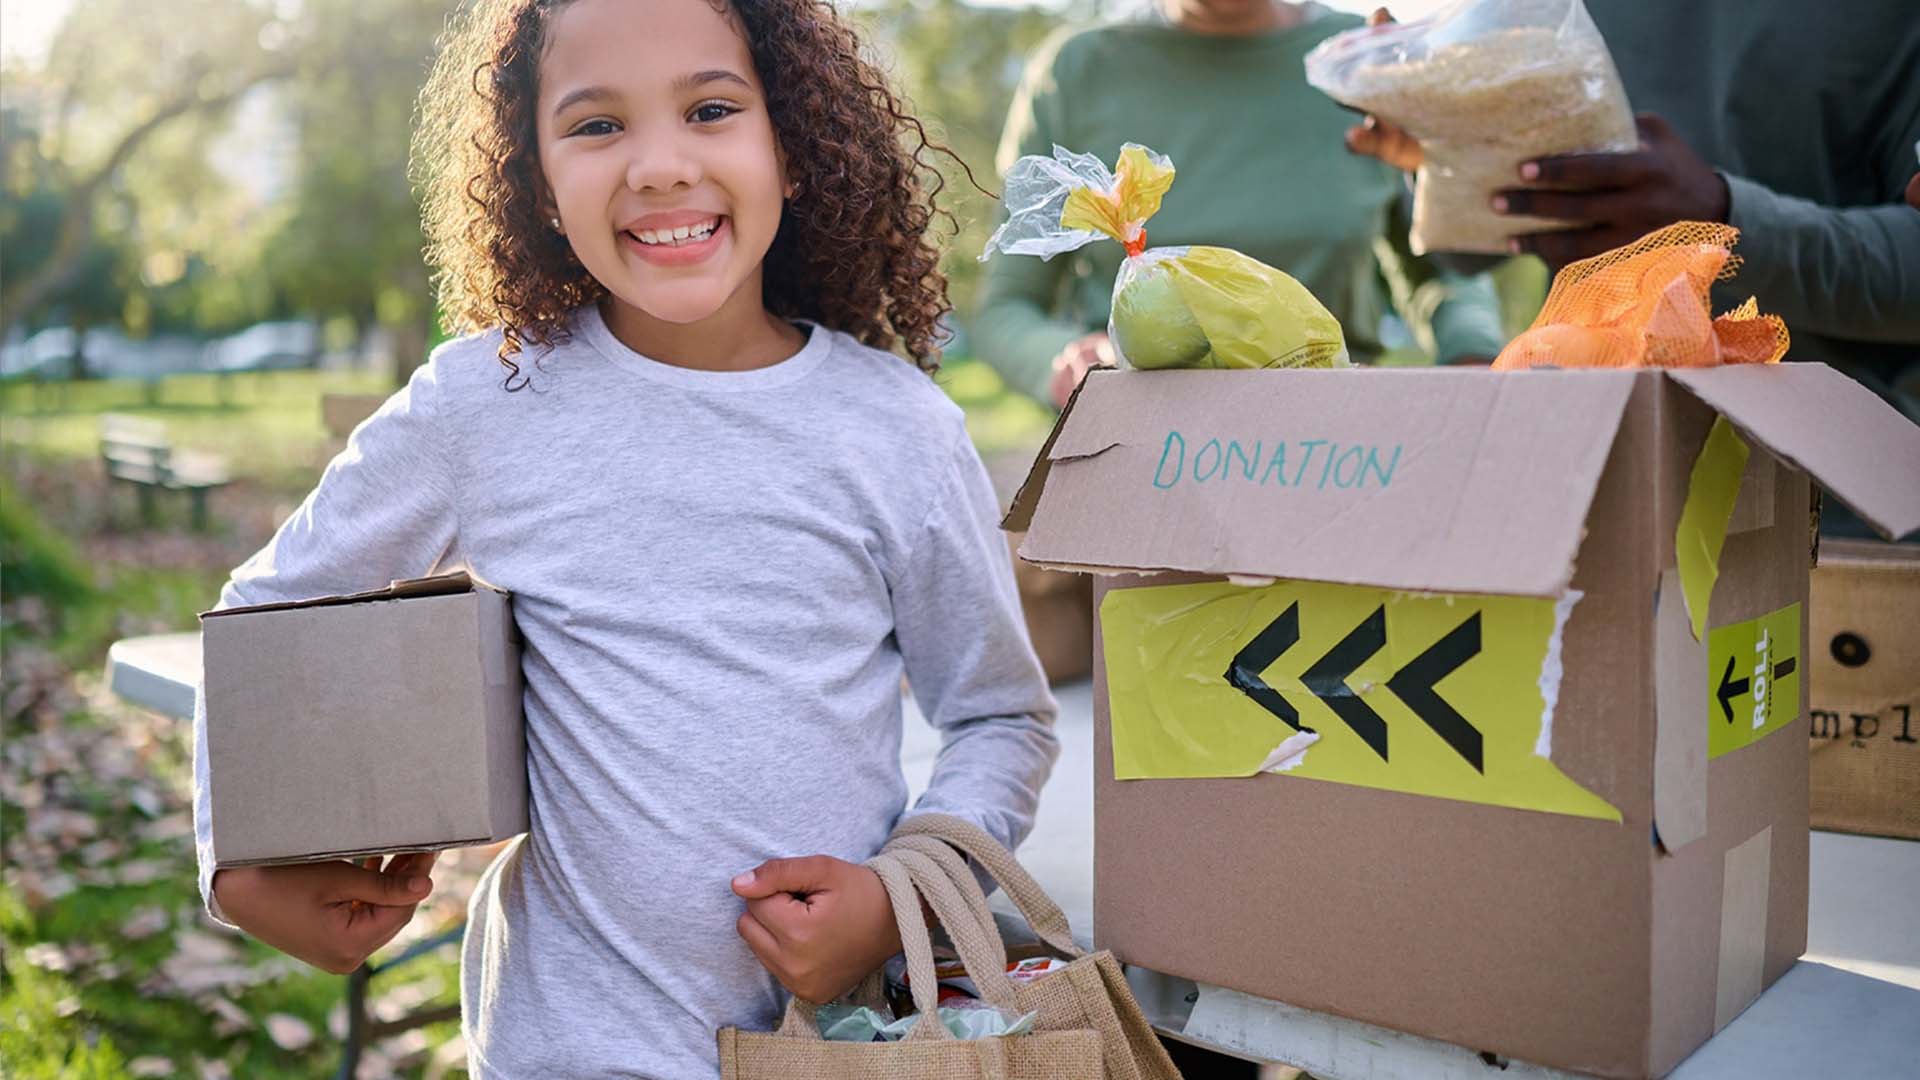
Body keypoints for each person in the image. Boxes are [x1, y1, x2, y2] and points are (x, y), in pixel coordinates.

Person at [191, 0, 1059, 1074]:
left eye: (710, 108)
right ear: (537, 182)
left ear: (794, 148)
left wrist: (896, 900)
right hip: (560, 1048)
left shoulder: (900, 432)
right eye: (597, 126)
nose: (657, 165)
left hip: (834, 1051)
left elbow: (1000, 718)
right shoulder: (487, 401)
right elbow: (263, 618)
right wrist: (238, 862)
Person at [1346, 2, 1920, 427]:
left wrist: (1721, 220)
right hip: (1586, 475)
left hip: (1835, 508)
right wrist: (1444, 154)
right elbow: (1466, 250)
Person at [973, 0, 1509, 410]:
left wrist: (1473, 352)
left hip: (1336, 440)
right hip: (1140, 447)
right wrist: (1069, 362)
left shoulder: (1360, 58)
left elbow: (1441, 266)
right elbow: (1008, 308)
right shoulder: (1078, 72)